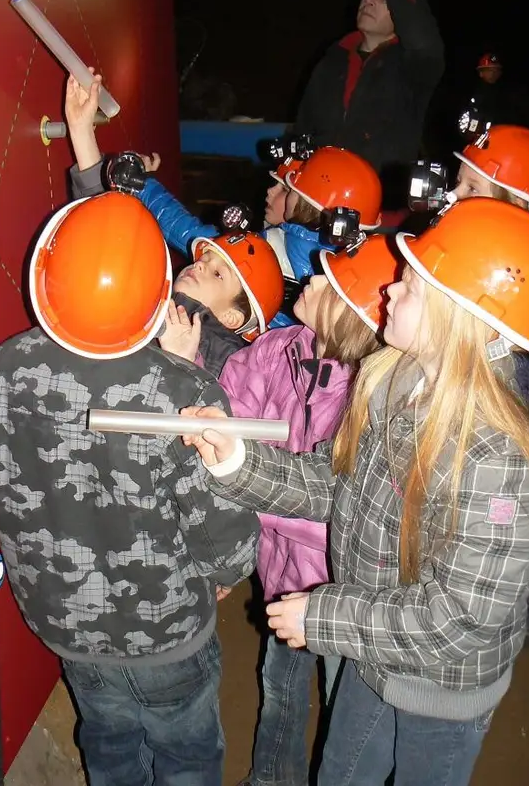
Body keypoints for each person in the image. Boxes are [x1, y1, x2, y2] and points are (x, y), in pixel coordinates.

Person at [180, 198, 529, 786]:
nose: (388, 293)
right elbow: (338, 487)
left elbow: (458, 620)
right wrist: (238, 460)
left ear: (457, 316)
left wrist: (325, 616)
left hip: (440, 692)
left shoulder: (493, 460)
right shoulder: (390, 385)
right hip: (371, 654)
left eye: (406, 287)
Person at [0, 190, 260, 786]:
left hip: (64, 623)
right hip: (168, 633)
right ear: (156, 295)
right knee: (184, 757)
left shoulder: (0, 371)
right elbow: (227, 540)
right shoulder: (183, 391)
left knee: (109, 746)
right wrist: (227, 573)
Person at [160, 236, 400, 786]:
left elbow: (339, 509)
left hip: (346, 588)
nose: (311, 275)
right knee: (281, 690)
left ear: (353, 310)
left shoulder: (372, 392)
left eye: (328, 281)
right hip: (282, 574)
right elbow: (228, 409)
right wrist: (188, 366)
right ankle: (271, 778)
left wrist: (247, 498)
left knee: (349, 707)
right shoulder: (280, 348)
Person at [63, 69, 379, 331]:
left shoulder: (284, 266)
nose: (271, 191)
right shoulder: (321, 268)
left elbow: (184, 228)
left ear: (313, 210)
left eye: (289, 190)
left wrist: (137, 183)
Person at [60, 71, 285, 375]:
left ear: (232, 318)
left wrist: (186, 365)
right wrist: (81, 128)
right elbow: (102, 231)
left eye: (218, 274)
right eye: (206, 258)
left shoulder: (230, 369)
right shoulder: (156, 292)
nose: (201, 265)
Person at [292, 0, 444, 195]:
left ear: (404, 9)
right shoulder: (334, 59)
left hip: (379, 208)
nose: (369, 0)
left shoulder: (414, 66)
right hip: (317, 196)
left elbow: (423, 40)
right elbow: (304, 127)